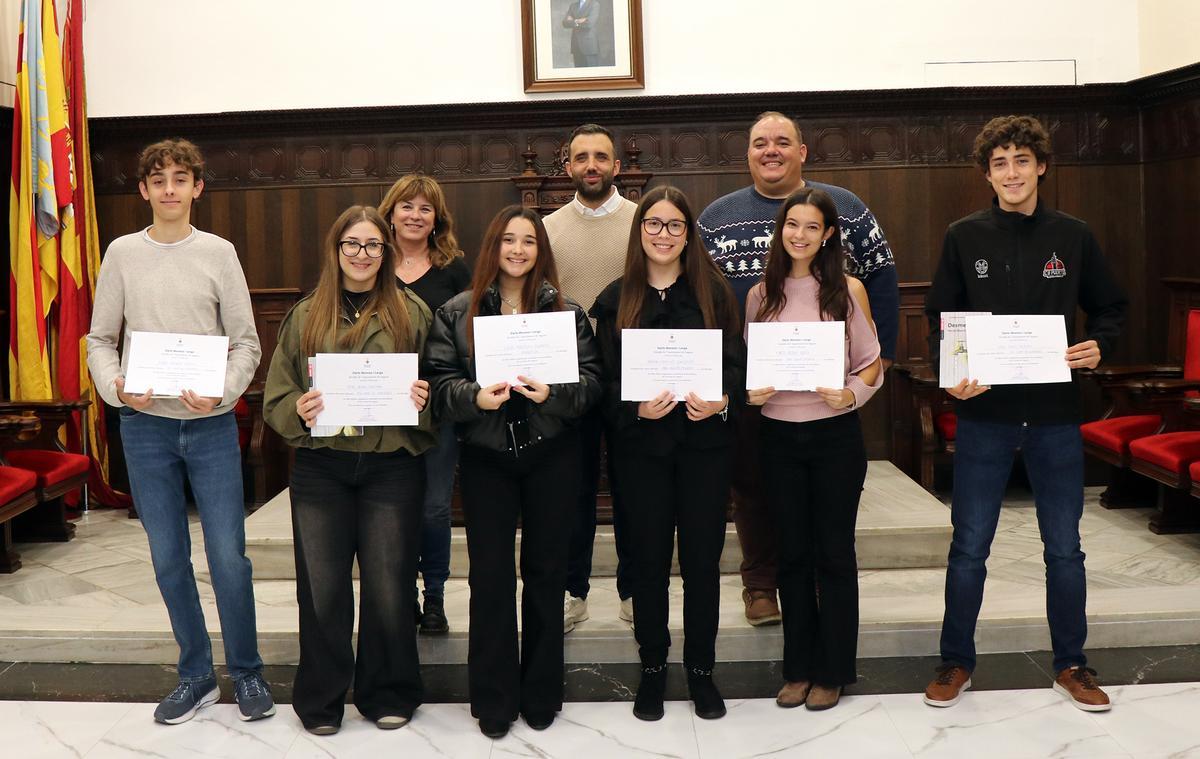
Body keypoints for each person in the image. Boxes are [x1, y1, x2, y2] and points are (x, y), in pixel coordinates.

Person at [922, 115, 1127, 712]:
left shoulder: (1074, 235)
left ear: (1041, 165)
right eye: (999, 163)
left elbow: (1110, 306)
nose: (1011, 173)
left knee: (1064, 547)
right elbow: (944, 317)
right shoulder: (963, 236)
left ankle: (1072, 664)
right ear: (987, 174)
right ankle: (956, 659)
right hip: (985, 415)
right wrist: (953, 374)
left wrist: (1100, 345)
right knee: (969, 545)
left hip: (1056, 415)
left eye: (1020, 161)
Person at [86, 139, 274, 724]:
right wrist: (117, 387)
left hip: (212, 427)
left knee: (228, 558)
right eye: (158, 179)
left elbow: (246, 341)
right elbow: (99, 340)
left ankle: (247, 673)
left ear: (198, 187)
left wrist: (225, 388)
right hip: (145, 428)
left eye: (180, 178)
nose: (169, 189)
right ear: (143, 190)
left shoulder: (220, 252)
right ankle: (196, 675)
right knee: (168, 558)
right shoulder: (121, 253)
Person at [697, 111, 899, 627]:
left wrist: (876, 365)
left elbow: (879, 276)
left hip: (826, 390)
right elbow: (700, 293)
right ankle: (761, 584)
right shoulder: (717, 217)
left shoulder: (845, 208)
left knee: (818, 502)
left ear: (802, 151)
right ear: (747, 153)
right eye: (760, 142)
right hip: (749, 384)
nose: (771, 151)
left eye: (782, 142)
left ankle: (812, 585)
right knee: (752, 488)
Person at [423, 205, 602, 738]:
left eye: (529, 241)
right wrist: (474, 395)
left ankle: (542, 691)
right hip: (487, 459)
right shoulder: (459, 312)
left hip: (552, 455)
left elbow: (593, 383)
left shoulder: (567, 315)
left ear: (541, 251)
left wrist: (556, 394)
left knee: (547, 575)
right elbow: (437, 385)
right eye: (508, 240)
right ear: (493, 248)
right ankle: (494, 696)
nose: (518, 250)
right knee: (491, 579)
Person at [263, 205, 435, 734]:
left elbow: (441, 386)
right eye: (352, 245)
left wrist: (423, 398)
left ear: (386, 253)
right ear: (336, 250)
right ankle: (321, 700)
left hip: (390, 467)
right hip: (322, 469)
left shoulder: (413, 312)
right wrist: (299, 409)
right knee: (323, 588)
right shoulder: (306, 314)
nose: (362, 256)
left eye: (373, 246)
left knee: (389, 585)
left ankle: (388, 691)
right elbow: (279, 391)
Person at [591, 185, 743, 722]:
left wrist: (721, 400)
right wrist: (636, 410)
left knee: (703, 563)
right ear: (640, 233)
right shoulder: (614, 299)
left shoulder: (716, 295)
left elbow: (738, 370)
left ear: (688, 234)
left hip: (705, 449)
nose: (663, 234)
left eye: (674, 225)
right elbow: (598, 384)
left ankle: (701, 670)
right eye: (653, 224)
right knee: (648, 563)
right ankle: (653, 667)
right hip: (641, 454)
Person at [745, 187, 883, 711]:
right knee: (792, 555)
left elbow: (872, 361)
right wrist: (751, 392)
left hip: (834, 438)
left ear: (827, 234)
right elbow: (750, 366)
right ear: (780, 231)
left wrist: (852, 394)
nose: (799, 235)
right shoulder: (762, 294)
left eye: (810, 227)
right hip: (778, 435)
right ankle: (798, 668)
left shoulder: (845, 289)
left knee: (833, 553)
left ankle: (833, 670)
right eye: (791, 225)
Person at [543, 123, 638, 633]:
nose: (592, 165)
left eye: (602, 156)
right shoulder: (549, 228)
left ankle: (633, 590)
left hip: (630, 373)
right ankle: (573, 591)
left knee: (632, 488)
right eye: (582, 157)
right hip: (571, 375)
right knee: (572, 490)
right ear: (569, 167)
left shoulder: (644, 223)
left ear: (616, 167)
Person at [379, 174, 472, 636]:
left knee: (435, 508)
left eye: (425, 209)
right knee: (392, 506)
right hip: (380, 407)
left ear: (438, 219)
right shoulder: (369, 260)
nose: (415, 216)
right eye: (406, 207)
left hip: (439, 407)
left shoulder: (454, 268)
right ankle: (400, 596)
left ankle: (433, 596)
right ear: (390, 212)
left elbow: (470, 334)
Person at [561, 0, 605, 67]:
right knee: (579, 73)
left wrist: (573, 21)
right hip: (576, 45)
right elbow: (565, 23)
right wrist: (578, 21)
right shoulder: (573, 6)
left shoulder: (594, 4)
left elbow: (589, 23)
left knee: (592, 73)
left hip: (589, 46)